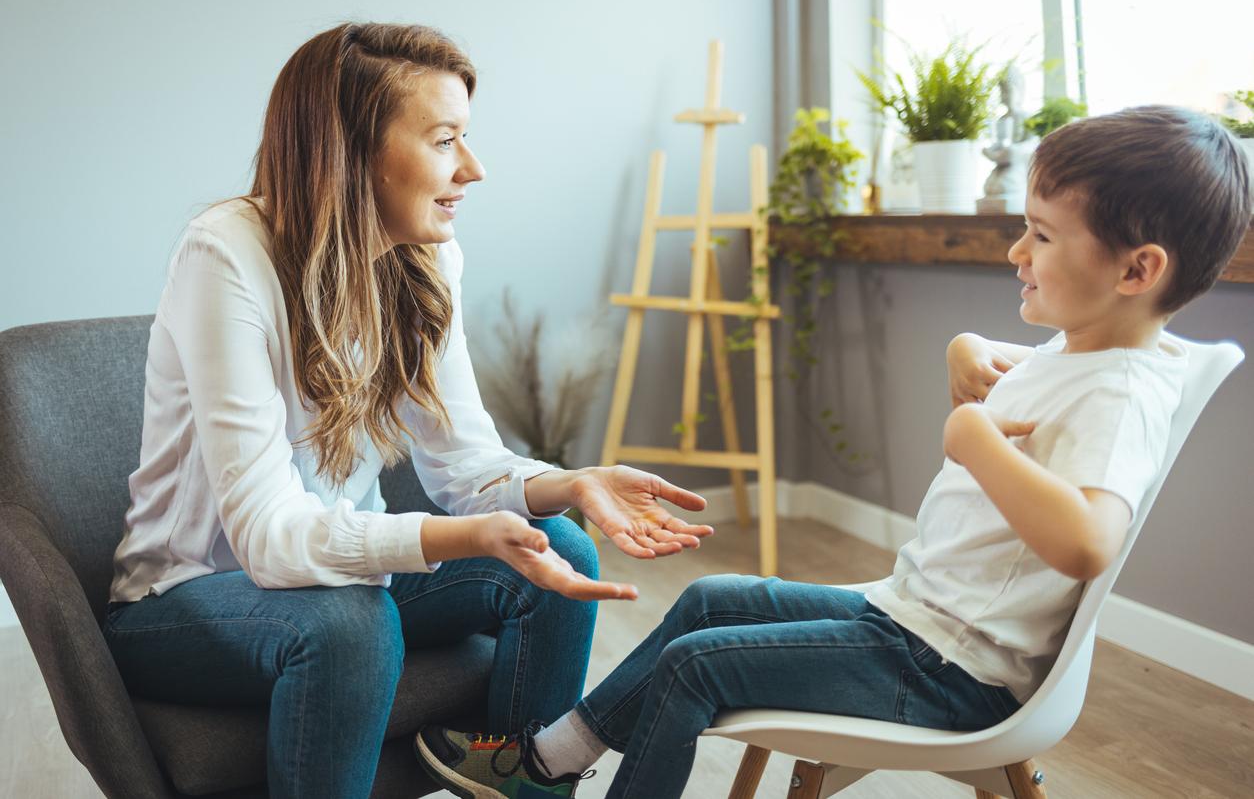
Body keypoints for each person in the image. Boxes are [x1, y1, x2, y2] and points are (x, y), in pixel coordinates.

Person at [415, 104, 1252, 799]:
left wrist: (969, 440)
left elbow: (1087, 542)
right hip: (911, 618)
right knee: (710, 600)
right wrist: (962, 343)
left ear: (1137, 270)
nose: (1015, 253)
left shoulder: (1124, 392)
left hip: (950, 671)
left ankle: (550, 770)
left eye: (1040, 235)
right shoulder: (1082, 349)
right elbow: (1022, 375)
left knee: (695, 667)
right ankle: (551, 764)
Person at [102, 22, 714, 799]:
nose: (474, 168)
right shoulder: (226, 256)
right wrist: (461, 536)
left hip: (340, 575)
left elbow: (466, 465)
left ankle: (525, 782)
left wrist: (574, 482)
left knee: (558, 547)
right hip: (186, 596)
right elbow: (267, 538)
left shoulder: (424, 255)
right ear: (349, 153)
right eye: (444, 139)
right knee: (351, 624)